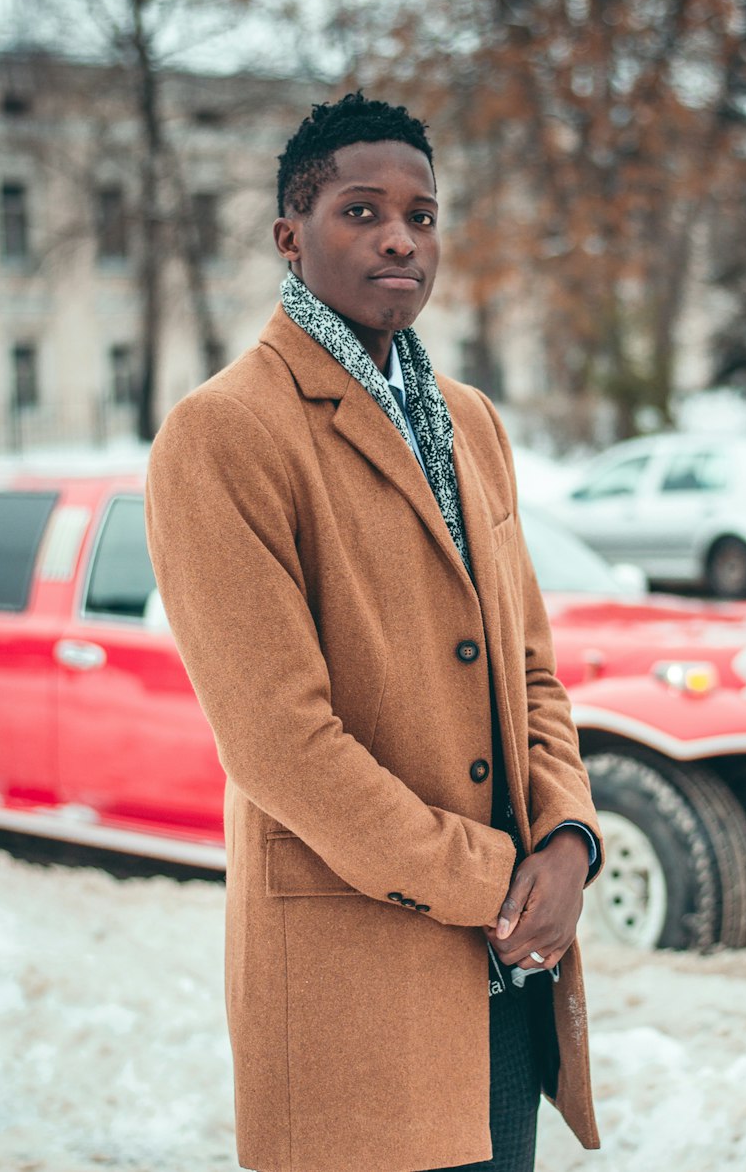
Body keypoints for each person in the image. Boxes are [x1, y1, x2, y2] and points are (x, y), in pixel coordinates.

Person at [145, 92, 602, 1172]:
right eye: (362, 210)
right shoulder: (222, 432)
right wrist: (494, 875)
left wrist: (571, 840)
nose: (401, 236)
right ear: (289, 236)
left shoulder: (474, 420)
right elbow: (280, 744)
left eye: (423, 214)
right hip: (355, 981)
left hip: (506, 983)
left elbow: (531, 665)